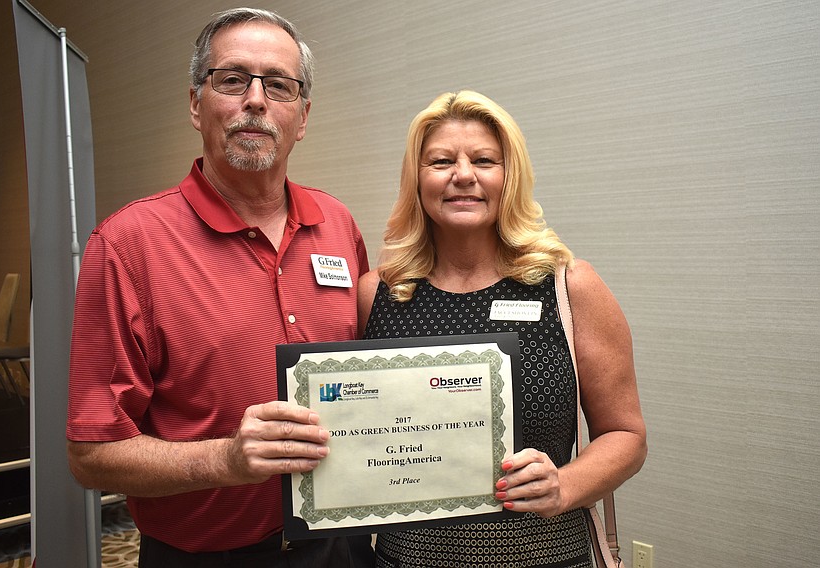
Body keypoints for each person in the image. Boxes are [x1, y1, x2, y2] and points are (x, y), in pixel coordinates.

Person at [66, 8, 374, 567]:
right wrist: (225, 461)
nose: (255, 100)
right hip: (208, 556)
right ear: (195, 105)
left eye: (278, 85)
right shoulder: (128, 243)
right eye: (232, 80)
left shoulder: (338, 223)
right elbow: (92, 453)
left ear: (301, 117)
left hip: (339, 546)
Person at [358, 90, 647, 568]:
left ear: (509, 176)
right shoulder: (381, 294)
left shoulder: (568, 285)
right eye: (441, 161)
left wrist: (566, 484)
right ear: (417, 178)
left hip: (545, 556)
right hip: (402, 560)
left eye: (485, 160)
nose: (463, 175)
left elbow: (626, 434)